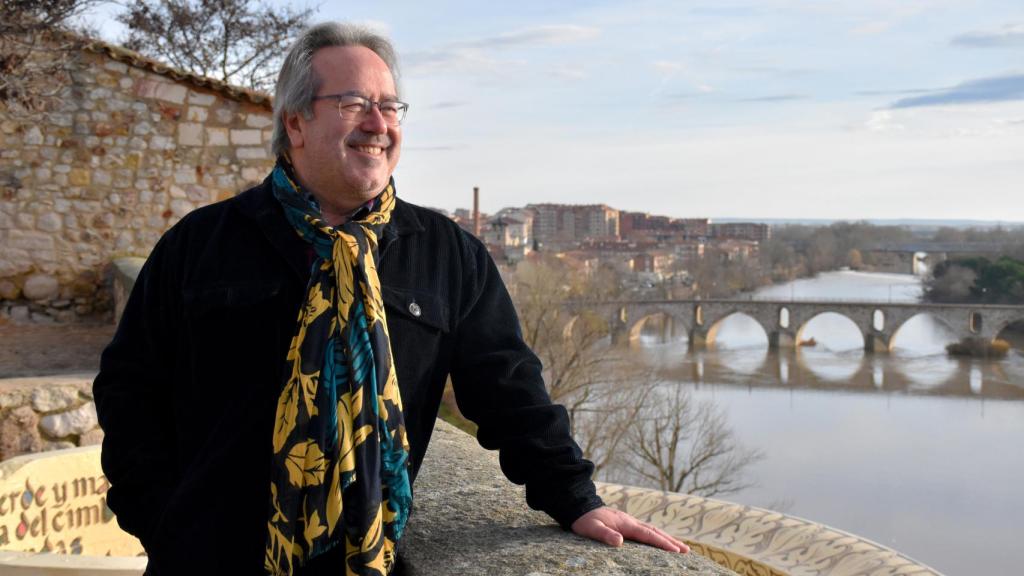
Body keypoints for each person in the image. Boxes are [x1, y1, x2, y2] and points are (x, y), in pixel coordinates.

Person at [93, 21, 688, 576]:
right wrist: (161, 521)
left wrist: (576, 499)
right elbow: (130, 388)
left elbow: (507, 387)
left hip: (367, 562)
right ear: (295, 123)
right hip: (207, 561)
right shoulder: (201, 244)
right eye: (353, 103)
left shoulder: (446, 254)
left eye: (390, 106)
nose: (379, 123)